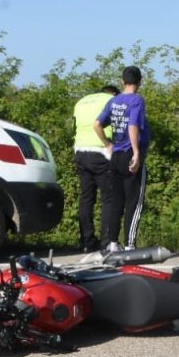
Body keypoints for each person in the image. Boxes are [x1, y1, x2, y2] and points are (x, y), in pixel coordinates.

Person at [93, 66, 150, 252]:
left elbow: (97, 124)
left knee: (115, 201)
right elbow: (133, 125)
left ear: (122, 81)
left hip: (116, 155)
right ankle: (130, 245)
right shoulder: (137, 100)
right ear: (139, 82)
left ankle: (112, 242)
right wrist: (136, 152)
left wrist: (107, 143)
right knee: (133, 202)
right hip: (129, 154)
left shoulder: (114, 101)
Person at [72, 84, 119, 253]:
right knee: (109, 198)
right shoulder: (112, 100)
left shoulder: (81, 101)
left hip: (80, 151)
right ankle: (107, 242)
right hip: (100, 151)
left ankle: (86, 241)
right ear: (113, 93)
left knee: (86, 198)